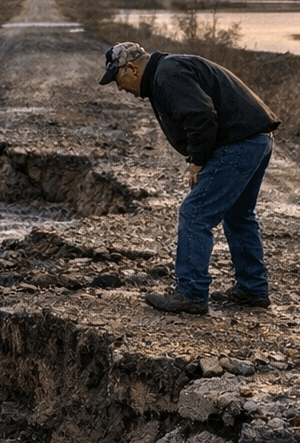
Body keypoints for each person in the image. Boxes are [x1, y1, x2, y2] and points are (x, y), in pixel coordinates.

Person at [99, 41, 281, 316]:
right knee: (239, 214)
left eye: (118, 78)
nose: (120, 88)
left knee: (195, 213)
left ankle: (191, 293)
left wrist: (197, 162)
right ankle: (252, 289)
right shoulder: (167, 70)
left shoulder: (167, 74)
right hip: (256, 139)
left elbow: (200, 117)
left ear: (133, 69)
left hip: (240, 143)